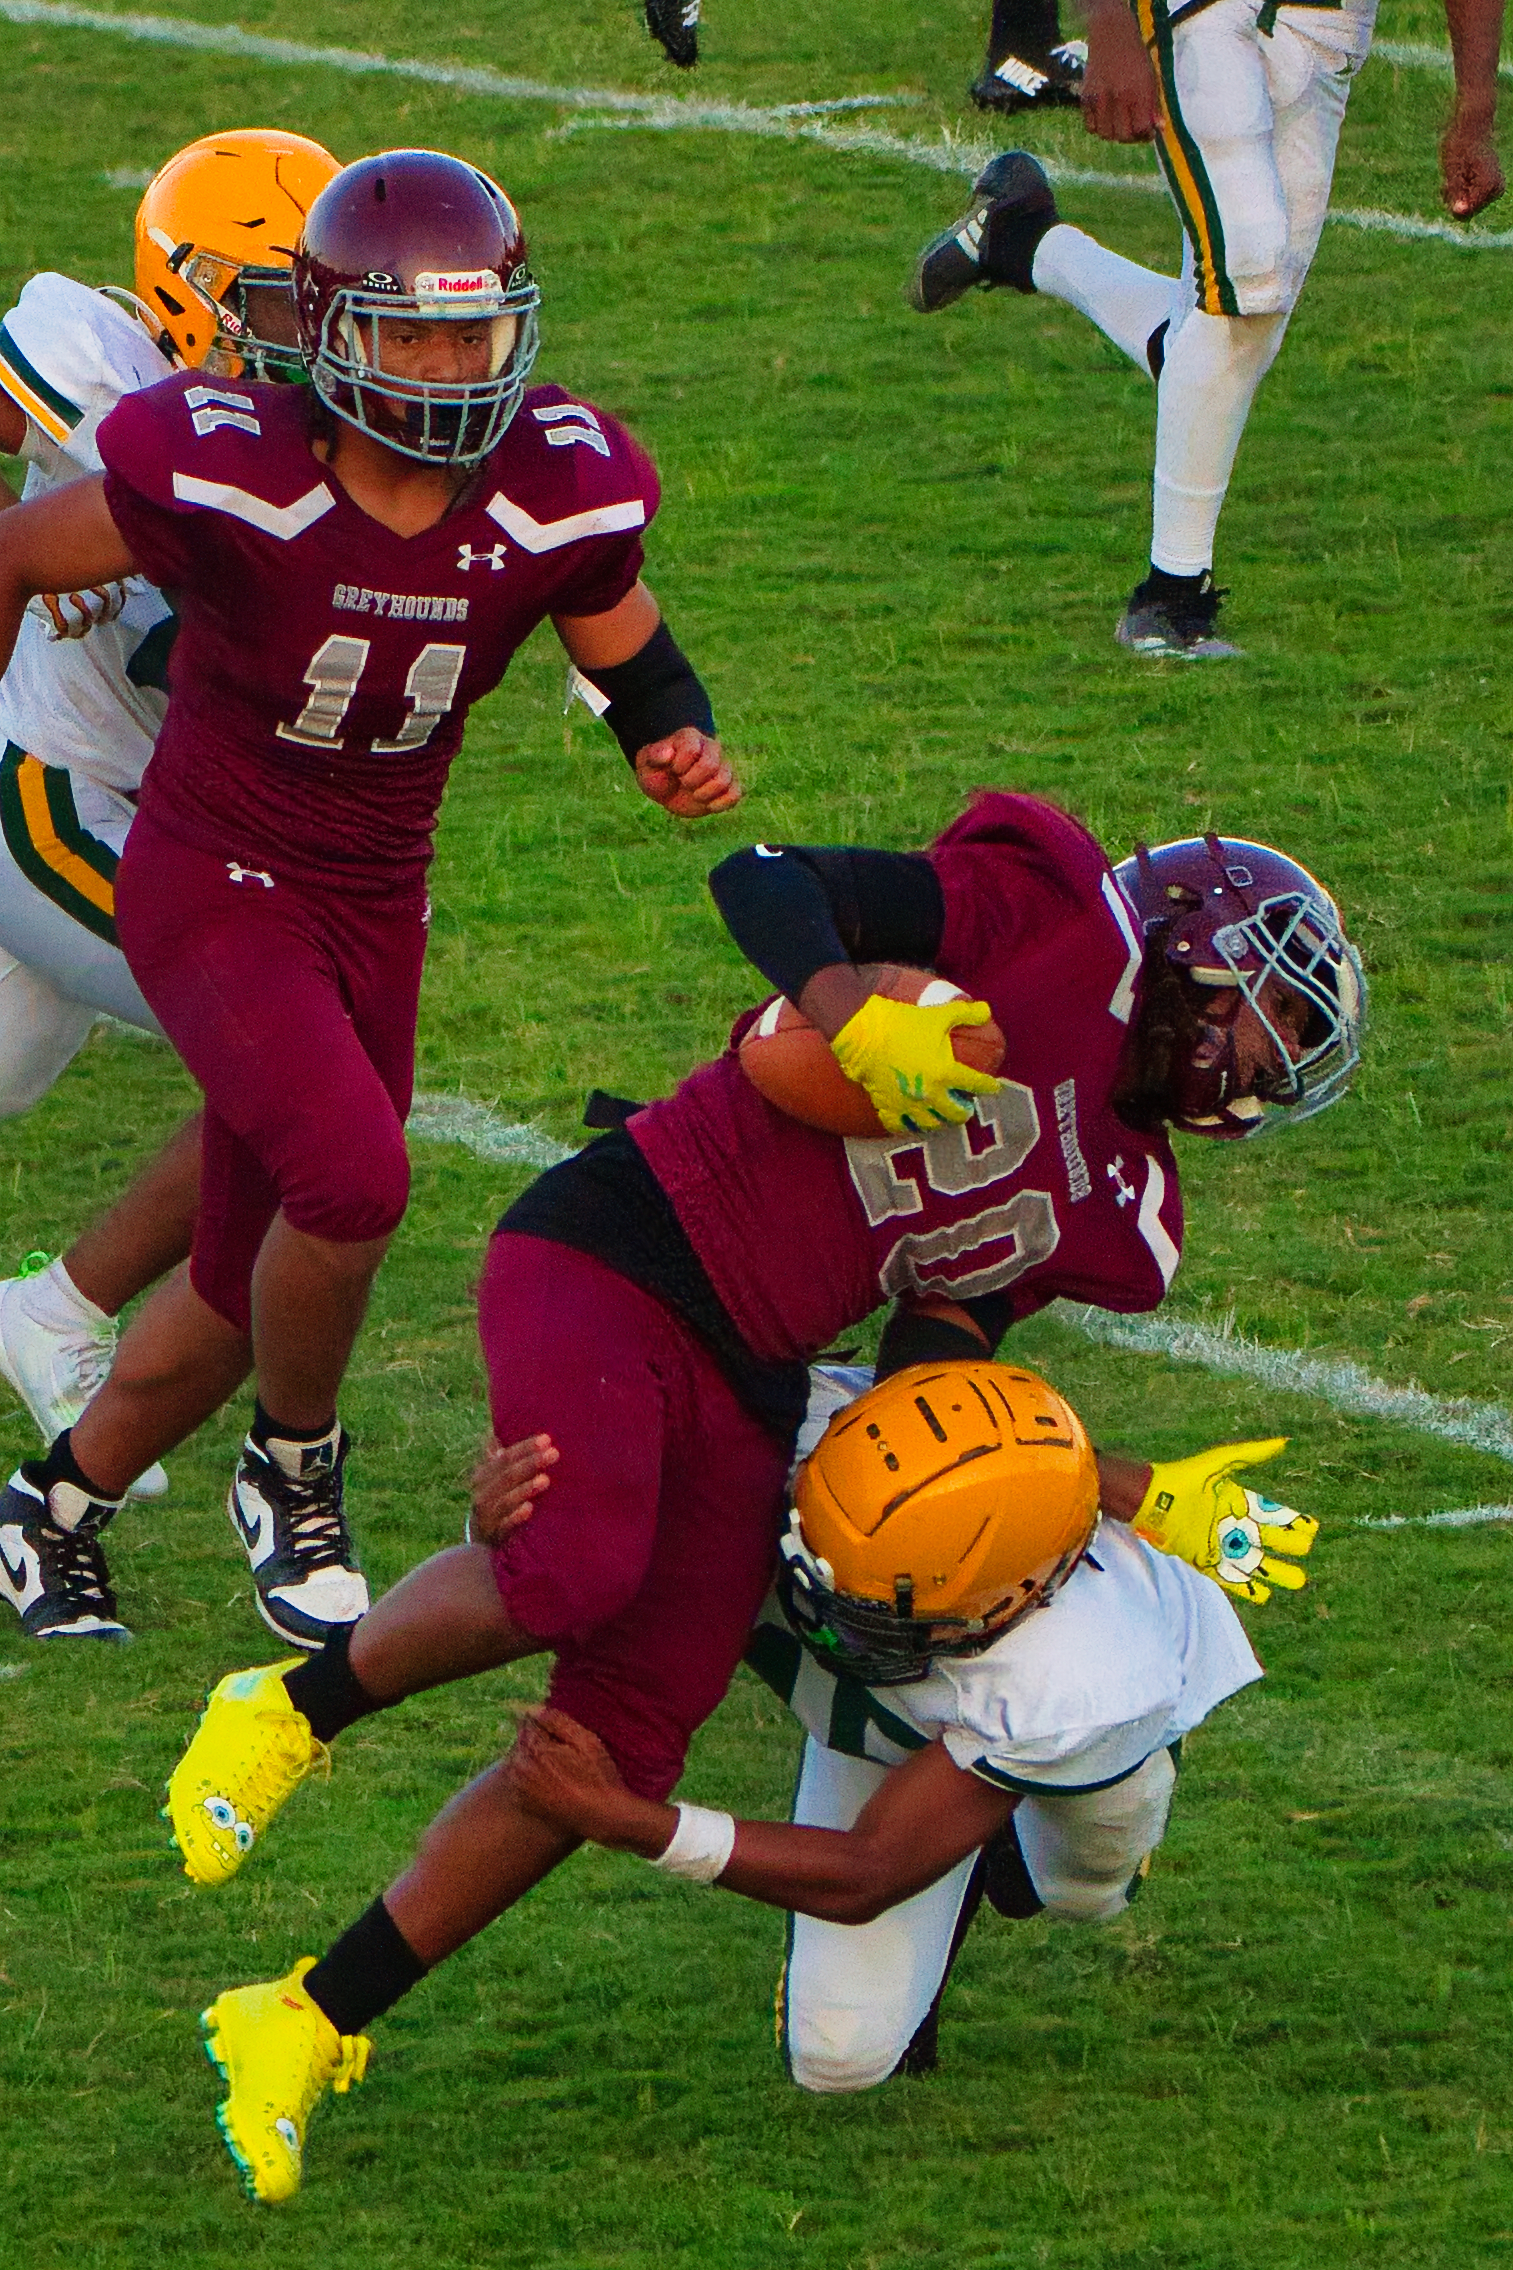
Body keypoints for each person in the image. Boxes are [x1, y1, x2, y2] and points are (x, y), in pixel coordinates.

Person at [161, 796, 1357, 2201]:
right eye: (1265, 1012)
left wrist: (1078, 1480)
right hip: (623, 1237)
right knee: (577, 1566)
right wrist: (848, 1007)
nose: (1264, 1062)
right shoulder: (1044, 909)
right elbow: (768, 878)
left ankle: (305, 2014)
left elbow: (944, 1327)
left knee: (621, 1746)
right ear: (1187, 951)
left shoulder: (1128, 1216)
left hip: (761, 1360)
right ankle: (290, 1707)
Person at [0, 147, 740, 1651]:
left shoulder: (557, 480)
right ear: (330, 331)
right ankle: (294, 1471)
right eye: (410, 333)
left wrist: (665, 727)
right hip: (210, 875)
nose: (447, 365)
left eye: (472, 332)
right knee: (352, 1182)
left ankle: (51, 1510)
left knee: (242, 1257)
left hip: (374, 891)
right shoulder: (227, 459)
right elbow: (18, 547)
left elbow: (618, 628)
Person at [508, 1356, 1275, 2092]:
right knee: (836, 2059)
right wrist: (500, 1525)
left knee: (1080, 1896)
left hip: (1069, 1723)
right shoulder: (791, 1433)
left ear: (1019, 1596)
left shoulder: (1092, 1677)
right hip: (915, 1714)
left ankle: (986, 1819)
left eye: (880, 1606)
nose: (831, 1615)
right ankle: (957, 1814)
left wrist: (637, 1824)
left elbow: (866, 1871)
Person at [0, 129, 341, 1530]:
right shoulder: (92, 357)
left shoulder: (327, 437)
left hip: (166, 805)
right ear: (188, 290)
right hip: (53, 788)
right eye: (276, 302)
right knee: (285, 1063)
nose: (310, 336)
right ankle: (65, 1310)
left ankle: (47, 1311)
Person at [910, 0, 1506, 657]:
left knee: (1241, 325)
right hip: (1198, 12)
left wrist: (1473, 111)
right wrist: (1111, 25)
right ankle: (1168, 600)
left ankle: (1022, 239)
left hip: (1327, 30)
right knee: (1246, 274)